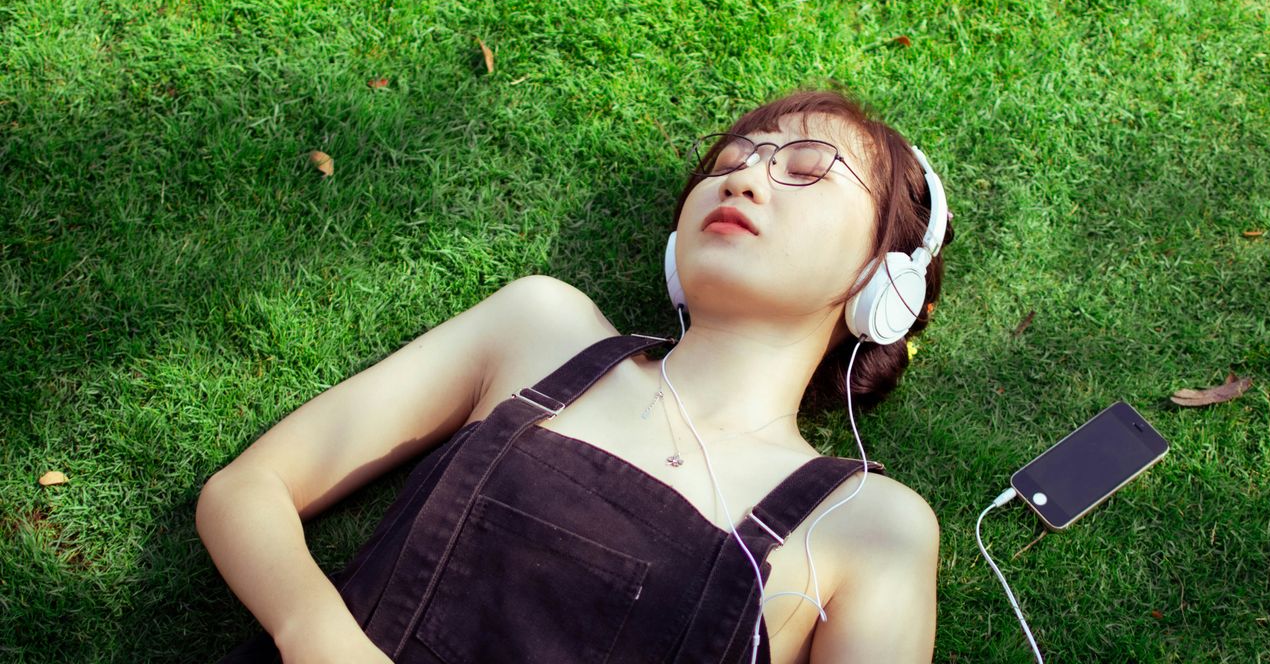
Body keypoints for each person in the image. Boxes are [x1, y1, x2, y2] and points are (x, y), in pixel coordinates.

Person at [196, 88, 954, 664]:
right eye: (733, 160)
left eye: (807, 170)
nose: (745, 178)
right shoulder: (540, 331)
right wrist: (318, 634)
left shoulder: (871, 527)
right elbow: (248, 489)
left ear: (884, 283)